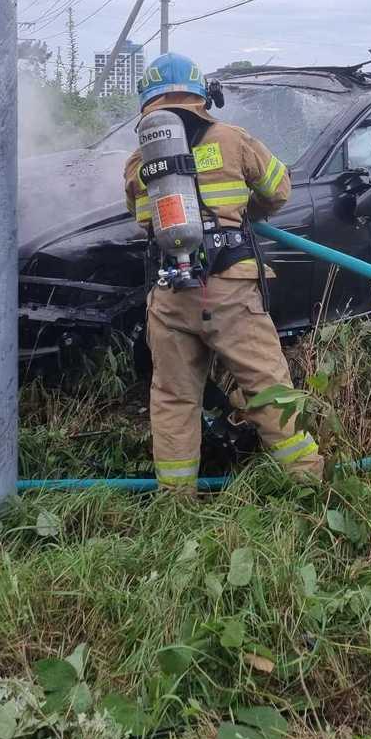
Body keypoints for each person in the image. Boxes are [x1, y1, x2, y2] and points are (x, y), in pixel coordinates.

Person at [123, 53, 324, 491]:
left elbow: (144, 221)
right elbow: (278, 190)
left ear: (148, 101)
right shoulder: (233, 139)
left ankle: (176, 500)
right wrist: (237, 215)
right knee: (269, 388)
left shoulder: (140, 161)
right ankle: (308, 487)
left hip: (171, 294)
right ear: (202, 94)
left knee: (174, 399)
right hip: (230, 289)